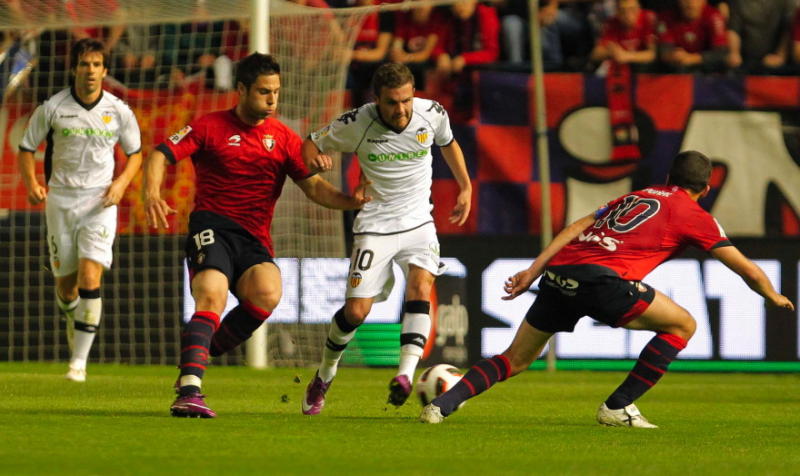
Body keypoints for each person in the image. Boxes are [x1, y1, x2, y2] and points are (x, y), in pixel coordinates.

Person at [420, 150, 795, 427]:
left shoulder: (637, 195)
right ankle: (618, 406)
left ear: (669, 177)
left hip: (561, 273)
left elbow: (575, 228)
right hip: (603, 280)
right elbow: (745, 268)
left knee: (514, 359)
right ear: (707, 188)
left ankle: (440, 406)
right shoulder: (695, 216)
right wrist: (772, 295)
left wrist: (534, 270)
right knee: (683, 325)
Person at [143, 52, 370, 419]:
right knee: (212, 294)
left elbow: (314, 188)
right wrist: (152, 193)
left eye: (276, 92)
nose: (272, 99)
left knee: (268, 293)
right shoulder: (209, 126)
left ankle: (197, 356)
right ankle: (189, 390)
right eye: (264, 91)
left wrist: (351, 201)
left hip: (253, 239)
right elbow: (160, 155)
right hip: (212, 227)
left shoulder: (283, 138)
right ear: (242, 89)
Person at [301, 62, 472, 414]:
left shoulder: (432, 113)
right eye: (392, 102)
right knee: (356, 311)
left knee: (421, 286)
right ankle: (324, 375)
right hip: (375, 224)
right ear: (376, 99)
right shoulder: (356, 122)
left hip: (418, 221)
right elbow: (310, 145)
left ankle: (405, 375)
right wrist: (316, 161)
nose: (402, 109)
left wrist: (465, 186)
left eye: (406, 100)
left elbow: (449, 144)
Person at [18, 38, 143, 382]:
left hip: (100, 203)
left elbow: (136, 154)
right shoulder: (53, 108)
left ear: (105, 70)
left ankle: (78, 363)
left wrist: (121, 184)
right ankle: (71, 315)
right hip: (60, 201)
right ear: (74, 68)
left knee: (91, 276)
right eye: (85, 64)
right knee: (67, 287)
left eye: (96, 64)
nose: (90, 70)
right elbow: (26, 147)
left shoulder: (118, 110)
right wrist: (32, 184)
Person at [726, 0, 796, 74]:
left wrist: (780, 55)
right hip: (747, 60)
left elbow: (790, 27)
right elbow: (734, 28)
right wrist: (734, 53)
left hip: (781, 63)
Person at [658, 0, 728, 73]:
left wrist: (692, 58)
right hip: (677, 66)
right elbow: (664, 50)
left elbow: (721, 52)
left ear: (704, 1)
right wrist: (673, 56)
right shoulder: (666, 18)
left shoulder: (714, 17)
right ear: (679, 0)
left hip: (705, 68)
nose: (691, 3)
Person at [590, 0, 657, 70]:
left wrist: (627, 56)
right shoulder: (611, 23)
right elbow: (595, 54)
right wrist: (611, 52)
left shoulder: (648, 18)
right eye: (623, 11)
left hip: (645, 68)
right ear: (617, 12)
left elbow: (653, 54)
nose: (628, 15)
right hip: (622, 67)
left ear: (639, 8)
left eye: (632, 9)